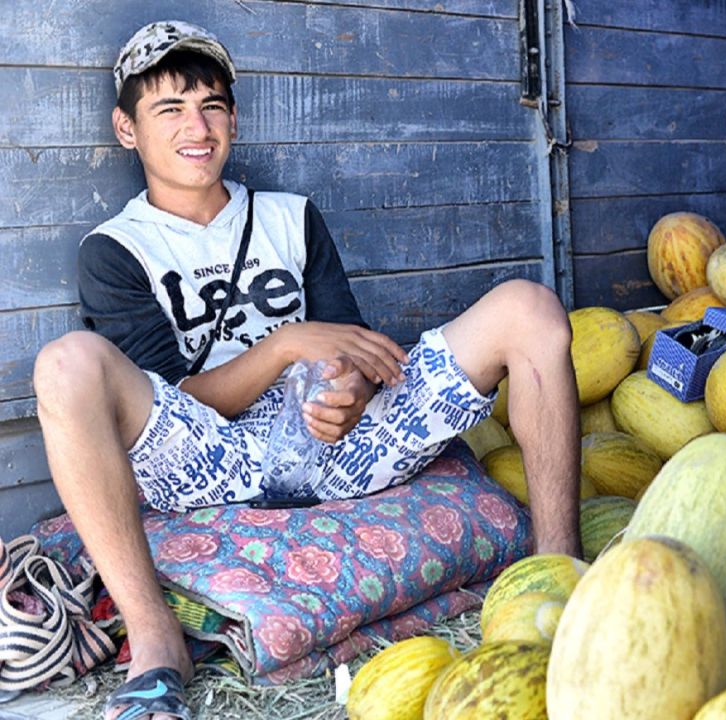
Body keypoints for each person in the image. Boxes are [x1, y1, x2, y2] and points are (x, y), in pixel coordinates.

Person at [32, 20, 581, 720]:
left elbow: (348, 346)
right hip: (210, 457)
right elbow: (175, 398)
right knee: (66, 364)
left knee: (530, 308)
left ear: (233, 118)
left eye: (212, 105)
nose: (195, 126)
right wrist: (287, 343)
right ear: (126, 128)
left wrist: (347, 393)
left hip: (336, 445)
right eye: (169, 109)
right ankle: (156, 642)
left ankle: (556, 572)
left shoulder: (291, 217)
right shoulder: (116, 249)